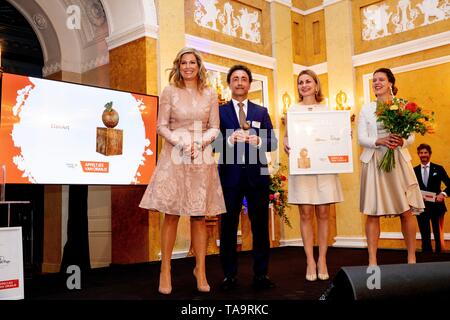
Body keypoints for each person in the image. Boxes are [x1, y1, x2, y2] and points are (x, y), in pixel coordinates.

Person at [139, 47, 226, 294]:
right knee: (172, 213)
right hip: (175, 154)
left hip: (201, 154)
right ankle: (165, 269)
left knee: (199, 215)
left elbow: (215, 128)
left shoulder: (210, 93)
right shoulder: (170, 91)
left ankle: (201, 269)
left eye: (192, 63)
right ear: (178, 66)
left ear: (199, 67)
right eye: (184, 63)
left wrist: (198, 143)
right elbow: (161, 126)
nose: (188, 66)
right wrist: (181, 141)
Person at [216, 64, 278, 290]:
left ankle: (261, 275)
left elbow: (273, 142)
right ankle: (229, 276)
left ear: (249, 84)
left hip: (257, 177)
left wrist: (259, 141)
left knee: (260, 226)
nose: (240, 82)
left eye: (244, 79)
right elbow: (212, 142)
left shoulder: (261, 111)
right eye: (235, 78)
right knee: (228, 227)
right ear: (229, 83)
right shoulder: (219, 112)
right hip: (230, 178)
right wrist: (230, 140)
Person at [358, 67, 424, 265]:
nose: (376, 83)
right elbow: (362, 138)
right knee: (372, 211)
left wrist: (400, 141)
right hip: (374, 161)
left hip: (398, 162)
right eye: (374, 80)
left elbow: (411, 135)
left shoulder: (403, 106)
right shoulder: (366, 108)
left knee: (406, 210)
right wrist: (379, 141)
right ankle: (372, 260)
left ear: (391, 83)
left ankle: (411, 257)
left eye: (381, 79)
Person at [283, 69, 344, 281]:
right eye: (300, 82)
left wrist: (343, 136)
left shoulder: (328, 109)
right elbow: (287, 139)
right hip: (303, 167)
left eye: (308, 81)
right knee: (306, 213)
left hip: (324, 169)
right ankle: (310, 260)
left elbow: (335, 137)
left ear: (316, 85)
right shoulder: (292, 110)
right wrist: (285, 143)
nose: (304, 85)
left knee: (324, 213)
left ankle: (323, 259)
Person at [414, 143, 449, 253]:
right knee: (424, 232)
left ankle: (439, 255)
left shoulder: (438, 168)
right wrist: (417, 196)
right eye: (421, 153)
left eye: (425, 152)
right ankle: (426, 256)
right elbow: (410, 188)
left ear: (430, 154)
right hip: (420, 206)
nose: (423, 155)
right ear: (418, 154)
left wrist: (442, 194)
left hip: (437, 205)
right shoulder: (413, 170)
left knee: (438, 233)